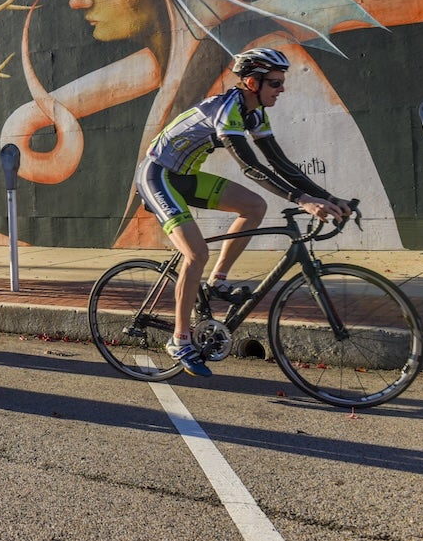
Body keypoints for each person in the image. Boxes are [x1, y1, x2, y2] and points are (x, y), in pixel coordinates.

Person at [134, 48, 351, 377]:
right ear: (252, 82)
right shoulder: (226, 110)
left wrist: (329, 197)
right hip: (158, 176)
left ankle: (216, 281)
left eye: (281, 82)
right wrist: (303, 201)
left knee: (254, 206)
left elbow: (281, 165)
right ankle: (179, 340)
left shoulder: (255, 114)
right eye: (275, 83)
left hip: (186, 177)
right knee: (195, 253)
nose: (282, 89)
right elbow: (250, 167)